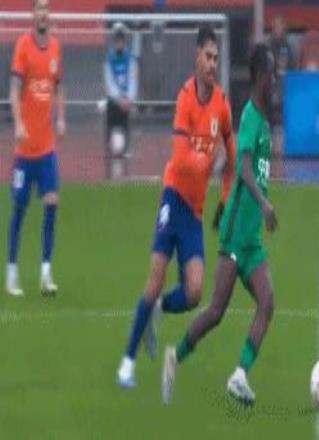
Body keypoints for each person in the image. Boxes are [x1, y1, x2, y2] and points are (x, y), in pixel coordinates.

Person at [117, 26, 236, 389]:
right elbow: (181, 158)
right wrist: (208, 161)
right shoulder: (185, 99)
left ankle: (159, 309)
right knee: (154, 279)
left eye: (216, 58)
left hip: (195, 211)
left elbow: (232, 158)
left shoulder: (222, 104)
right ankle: (127, 363)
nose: (213, 64)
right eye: (208, 56)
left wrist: (224, 199)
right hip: (173, 198)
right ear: (197, 56)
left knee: (196, 291)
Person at [161, 43, 278, 406]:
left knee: (267, 303)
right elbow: (243, 167)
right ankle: (175, 356)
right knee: (215, 311)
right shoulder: (250, 118)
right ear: (260, 76)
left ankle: (239, 375)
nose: (275, 80)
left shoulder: (265, 119)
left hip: (251, 239)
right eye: (272, 73)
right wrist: (264, 204)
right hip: (234, 234)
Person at [7, 0, 65, 297]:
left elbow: (58, 86)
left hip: (46, 149)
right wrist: (18, 123)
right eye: (39, 8)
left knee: (52, 203)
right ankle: (12, 271)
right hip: (25, 151)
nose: (43, 13)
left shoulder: (55, 47)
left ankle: (45, 273)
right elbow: (14, 90)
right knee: (19, 209)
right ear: (33, 14)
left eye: (46, 8)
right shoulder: (23, 46)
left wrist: (62, 117)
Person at [104, 22, 138, 177]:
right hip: (115, 100)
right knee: (110, 119)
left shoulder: (130, 58)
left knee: (125, 122)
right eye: (117, 41)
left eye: (121, 41)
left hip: (126, 99)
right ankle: (109, 147)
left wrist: (129, 98)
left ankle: (124, 149)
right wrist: (119, 99)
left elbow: (133, 80)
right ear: (114, 42)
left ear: (124, 42)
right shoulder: (109, 59)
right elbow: (109, 81)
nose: (119, 44)